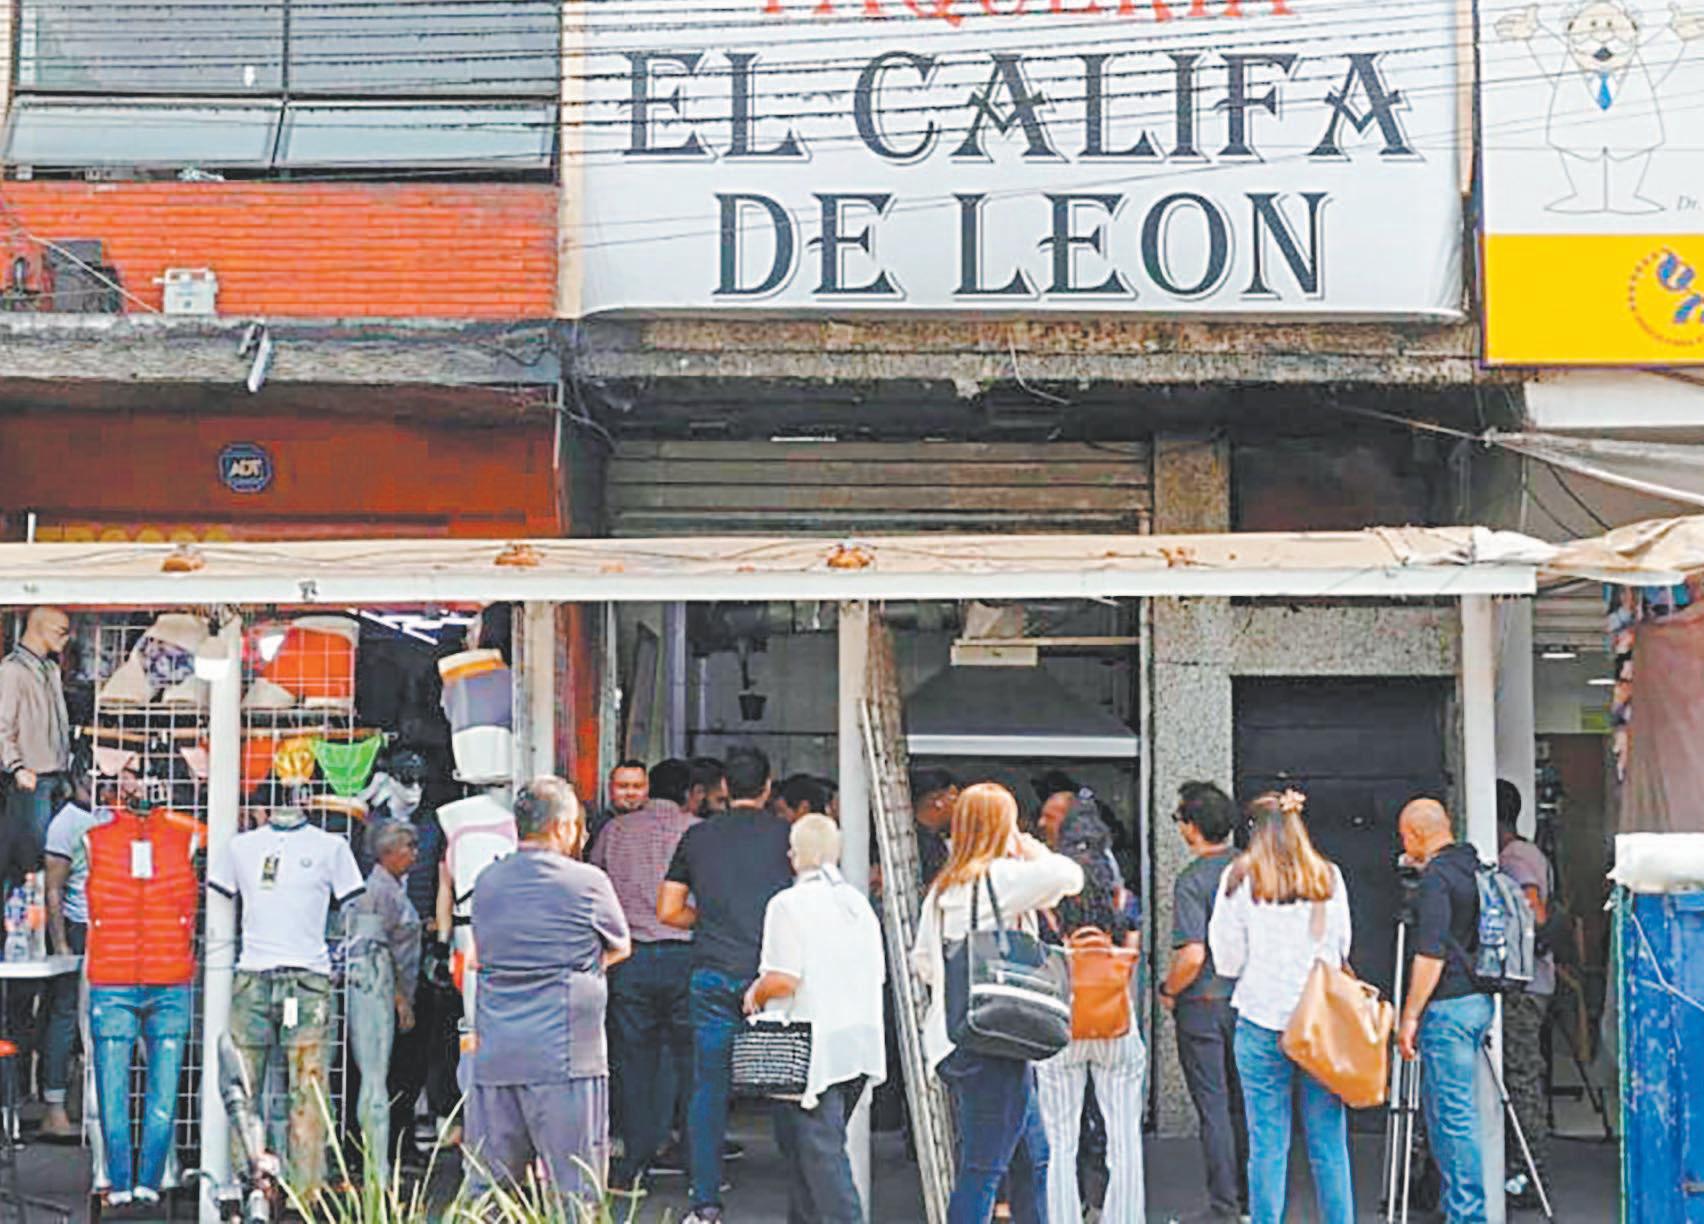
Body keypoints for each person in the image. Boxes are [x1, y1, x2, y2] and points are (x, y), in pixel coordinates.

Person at [911, 781, 1084, 1224]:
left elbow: (924, 963)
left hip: (957, 1036)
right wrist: (1026, 845)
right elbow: (1070, 876)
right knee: (983, 1170)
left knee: (1032, 1156)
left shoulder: (944, 888)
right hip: (996, 1042)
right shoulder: (1001, 877)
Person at [463, 777, 631, 1206]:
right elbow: (620, 946)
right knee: (575, 1189)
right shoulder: (587, 882)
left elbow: (478, 955)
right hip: (565, 1054)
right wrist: (582, 968)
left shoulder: (488, 881)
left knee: (490, 1191)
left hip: (497, 1053)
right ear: (561, 827)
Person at [659, 745, 793, 1224]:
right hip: (774, 977)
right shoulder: (788, 836)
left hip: (713, 972)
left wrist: (709, 920)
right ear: (767, 787)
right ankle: (802, 1193)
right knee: (788, 1084)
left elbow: (668, 910)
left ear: (722, 789)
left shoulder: (697, 837)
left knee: (709, 1088)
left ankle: (705, 1202)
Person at [1208, 790, 1355, 1224]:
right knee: (1329, 1141)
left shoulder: (1238, 879)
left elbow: (1227, 961)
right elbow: (1342, 947)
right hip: (1319, 1023)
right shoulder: (1328, 876)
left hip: (1261, 1017)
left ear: (1252, 831)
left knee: (1267, 1143)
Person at [744, 814, 886, 1224]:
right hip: (857, 1043)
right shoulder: (856, 903)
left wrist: (754, 994)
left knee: (822, 1161)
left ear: (794, 855)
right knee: (808, 1156)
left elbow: (784, 979)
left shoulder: (787, 904)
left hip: (810, 1049)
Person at [1034, 798, 1145, 1224]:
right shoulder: (1122, 900)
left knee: (1059, 1140)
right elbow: (1130, 960)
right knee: (1124, 1136)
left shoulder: (1047, 903)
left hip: (1061, 1023)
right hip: (1115, 1021)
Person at [592, 757, 700, 1189]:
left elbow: (595, 886)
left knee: (633, 1063)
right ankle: (695, 1163)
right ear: (689, 793)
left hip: (630, 958)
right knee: (692, 1063)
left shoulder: (614, 832)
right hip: (685, 956)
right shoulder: (695, 831)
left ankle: (634, 1163)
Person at [1397, 796, 1496, 1224]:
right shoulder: (1473, 865)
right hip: (1478, 1000)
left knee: (1453, 1120)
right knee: (1451, 1115)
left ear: (1417, 834)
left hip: (1448, 1006)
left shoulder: (1436, 879)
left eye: (1405, 836)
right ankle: (1461, 1209)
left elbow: (1430, 954)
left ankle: (1468, 1215)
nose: (1403, 845)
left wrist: (1409, 1016)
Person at [1160, 781, 1249, 1223]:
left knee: (1213, 1107)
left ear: (1193, 826)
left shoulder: (1192, 881)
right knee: (1245, 1104)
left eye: (1179, 819)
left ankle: (1223, 1206)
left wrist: (1168, 990)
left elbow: (1192, 955)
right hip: (1249, 1002)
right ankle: (1252, 1199)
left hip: (1203, 1004)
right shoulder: (1252, 870)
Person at [39, 750, 128, 1141]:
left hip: (116, 927)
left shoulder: (113, 815)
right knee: (66, 1012)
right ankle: (54, 1105)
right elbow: (53, 888)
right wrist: (60, 942)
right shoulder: (66, 823)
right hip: (80, 927)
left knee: (107, 1015)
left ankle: (95, 1103)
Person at [347, 819, 421, 1177]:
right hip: (381, 996)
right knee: (378, 1074)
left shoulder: (394, 888)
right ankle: (371, 1157)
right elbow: (374, 950)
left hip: (401, 989)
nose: (414, 854)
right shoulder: (375, 892)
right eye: (409, 847)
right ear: (388, 852)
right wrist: (398, 998)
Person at [1496, 780, 1553, 1209]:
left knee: (1520, 1079)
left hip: (1524, 985)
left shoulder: (1514, 858)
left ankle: (1529, 1175)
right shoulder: (1530, 852)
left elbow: (1535, 911)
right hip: (1536, 982)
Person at [0, 606, 72, 893]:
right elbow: (2, 725)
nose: (66, 639)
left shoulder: (51, 670)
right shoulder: (11, 671)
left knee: (51, 859)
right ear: (39, 627)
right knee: (26, 860)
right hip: (29, 779)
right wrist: (16, 767)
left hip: (55, 776)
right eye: (61, 631)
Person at [910, 766, 959, 891]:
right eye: (955, 799)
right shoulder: (917, 844)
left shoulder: (935, 839)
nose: (960, 808)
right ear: (937, 801)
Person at [589, 758, 650, 851]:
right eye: (623, 786)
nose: (630, 792)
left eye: (637, 786)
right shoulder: (598, 827)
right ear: (610, 788)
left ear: (647, 788)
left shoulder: (659, 826)